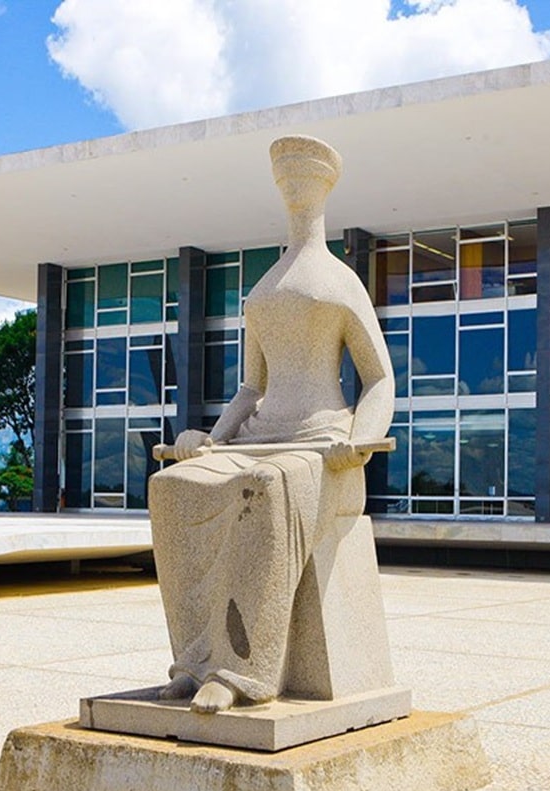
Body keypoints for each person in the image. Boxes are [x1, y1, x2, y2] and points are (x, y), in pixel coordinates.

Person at [148, 134, 395, 714]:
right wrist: (210, 439)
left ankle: (240, 671)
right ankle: (193, 657)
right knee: (172, 489)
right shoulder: (264, 288)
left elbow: (379, 378)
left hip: (320, 446)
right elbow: (251, 387)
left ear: (324, 188)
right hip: (258, 438)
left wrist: (358, 438)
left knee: (265, 490)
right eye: (285, 180)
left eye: (303, 180)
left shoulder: (342, 282)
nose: (294, 189)